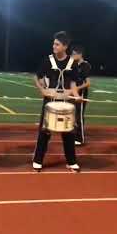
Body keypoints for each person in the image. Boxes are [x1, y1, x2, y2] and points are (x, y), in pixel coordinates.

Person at [32, 31, 82, 173]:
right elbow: (37, 77)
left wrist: (76, 94)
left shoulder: (72, 63)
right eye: (54, 43)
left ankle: (71, 162)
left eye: (57, 44)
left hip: (66, 102)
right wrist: (42, 90)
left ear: (65, 46)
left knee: (68, 132)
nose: (54, 46)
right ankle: (38, 160)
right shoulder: (48, 60)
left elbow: (73, 82)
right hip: (50, 101)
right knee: (44, 131)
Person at [71, 44, 91, 146]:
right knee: (72, 115)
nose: (72, 56)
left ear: (80, 54)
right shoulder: (73, 64)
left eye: (74, 54)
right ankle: (72, 135)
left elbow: (88, 83)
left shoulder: (85, 65)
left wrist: (77, 89)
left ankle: (80, 138)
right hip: (72, 94)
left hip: (81, 94)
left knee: (79, 116)